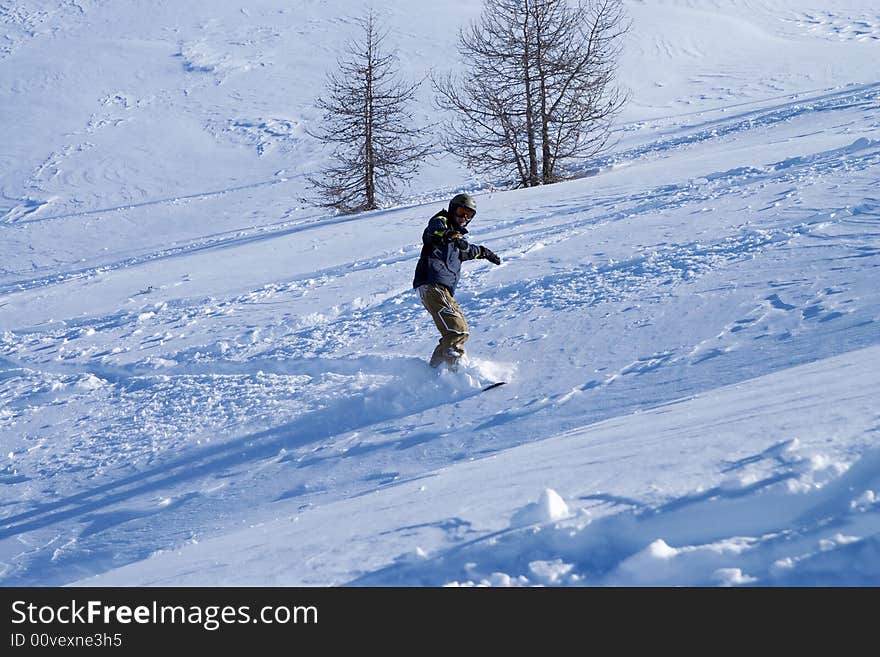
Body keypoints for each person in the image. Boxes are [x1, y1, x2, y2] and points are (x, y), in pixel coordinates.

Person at [412, 193, 502, 369]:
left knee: (454, 331)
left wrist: (485, 252)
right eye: (461, 212)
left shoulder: (458, 243)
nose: (464, 218)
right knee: (457, 329)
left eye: (469, 215)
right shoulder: (441, 222)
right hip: (432, 283)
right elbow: (435, 231)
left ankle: (435, 372)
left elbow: (470, 250)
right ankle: (458, 372)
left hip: (439, 288)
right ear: (453, 209)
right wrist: (450, 235)